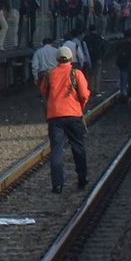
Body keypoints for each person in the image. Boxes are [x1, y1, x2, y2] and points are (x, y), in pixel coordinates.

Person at [41, 46, 90, 193]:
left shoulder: (49, 74)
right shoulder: (77, 73)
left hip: (55, 117)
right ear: (71, 59)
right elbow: (84, 94)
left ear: (57, 59)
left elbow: (44, 92)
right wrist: (80, 106)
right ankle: (82, 178)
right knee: (78, 147)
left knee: (56, 150)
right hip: (74, 115)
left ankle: (57, 184)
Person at [114, 29, 131, 98]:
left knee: (122, 78)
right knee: (128, 79)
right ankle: (126, 94)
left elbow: (116, 51)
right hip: (129, 63)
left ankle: (122, 92)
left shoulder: (120, 43)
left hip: (121, 63)